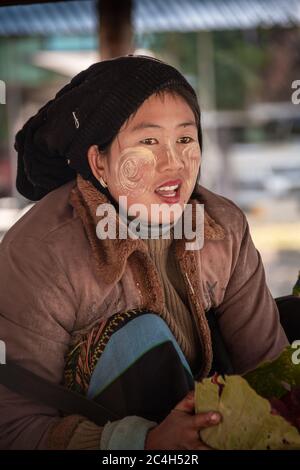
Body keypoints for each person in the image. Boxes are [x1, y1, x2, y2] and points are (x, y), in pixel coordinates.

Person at [0, 55, 288, 450]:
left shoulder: (223, 227)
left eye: (185, 139)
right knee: (140, 337)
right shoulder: (40, 255)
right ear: (99, 162)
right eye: (148, 141)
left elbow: (269, 371)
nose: (174, 162)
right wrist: (143, 444)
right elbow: (14, 429)